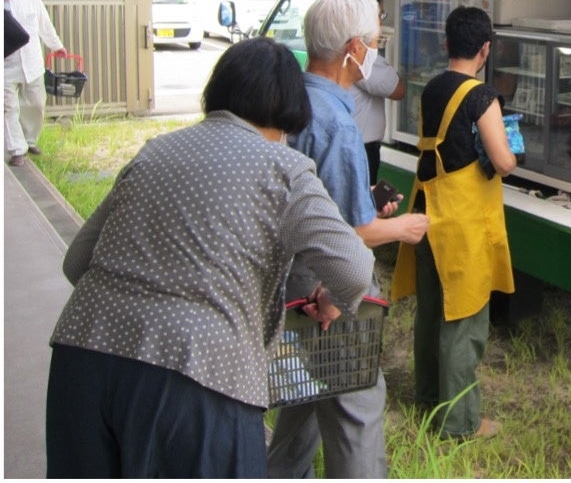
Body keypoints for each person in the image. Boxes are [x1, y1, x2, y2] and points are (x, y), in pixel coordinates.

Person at [45, 37, 376, 478]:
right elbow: (354, 268)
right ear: (290, 111)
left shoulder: (156, 150)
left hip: (81, 356)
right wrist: (331, 302)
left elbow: (76, 262)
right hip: (198, 373)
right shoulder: (285, 169)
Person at [267, 0, 429, 479]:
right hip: (325, 288)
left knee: (302, 398)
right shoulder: (336, 122)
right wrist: (402, 227)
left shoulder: (291, 99)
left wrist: (365, 198)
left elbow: (319, 200)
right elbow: (354, 232)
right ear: (354, 49)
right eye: (375, 43)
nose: (375, 53)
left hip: (288, 277)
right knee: (356, 405)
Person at [391, 5, 517, 440]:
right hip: (462, 222)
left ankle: (428, 396)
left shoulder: (433, 87)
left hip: (427, 209)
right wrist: (511, 152)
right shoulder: (481, 96)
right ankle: (460, 421)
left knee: (431, 310)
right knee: (464, 317)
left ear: (446, 43)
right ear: (486, 49)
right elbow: (502, 161)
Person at [337, 0, 406, 183]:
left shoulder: (329, 42)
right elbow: (398, 89)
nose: (380, 23)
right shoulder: (360, 53)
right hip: (358, 149)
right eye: (379, 15)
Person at [4, 0, 66, 167]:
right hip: (6, 66)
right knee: (8, 108)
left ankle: (30, 140)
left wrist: (56, 45)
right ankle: (17, 150)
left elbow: (44, 25)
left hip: (32, 62)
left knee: (36, 104)